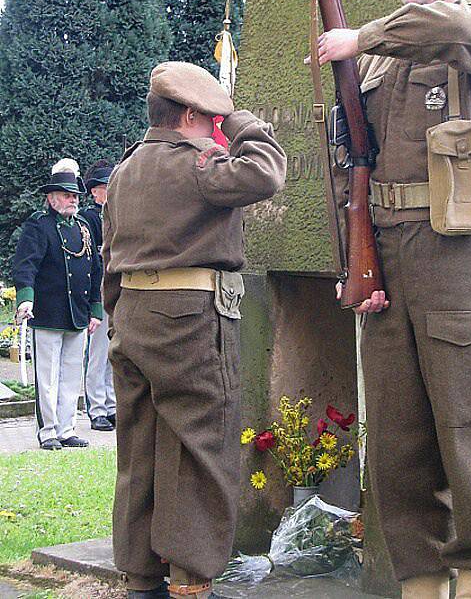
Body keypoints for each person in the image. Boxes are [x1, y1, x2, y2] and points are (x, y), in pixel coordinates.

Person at [318, 0, 471, 599]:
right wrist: (355, 264)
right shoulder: (378, 65)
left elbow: (457, 29)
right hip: (389, 254)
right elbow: (351, 166)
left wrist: (362, 36)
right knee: (399, 437)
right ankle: (419, 579)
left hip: (465, 252)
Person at [102, 61, 286, 599]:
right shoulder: (200, 165)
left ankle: (140, 579)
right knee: (200, 449)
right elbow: (266, 171)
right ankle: (189, 580)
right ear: (189, 115)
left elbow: (111, 259)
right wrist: (247, 124)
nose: (218, 129)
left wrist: (121, 319)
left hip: (132, 315)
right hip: (190, 320)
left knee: (139, 453)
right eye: (213, 119)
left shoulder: (125, 170)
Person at [13, 158, 103, 450]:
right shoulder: (38, 226)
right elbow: (25, 266)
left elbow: (95, 269)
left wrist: (95, 309)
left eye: (75, 196)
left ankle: (66, 429)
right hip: (48, 313)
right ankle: (48, 431)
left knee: (71, 375)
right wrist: (26, 299)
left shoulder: (83, 227)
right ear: (51, 199)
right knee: (48, 377)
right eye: (67, 195)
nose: (72, 200)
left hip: (77, 313)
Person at [81, 160, 116, 432]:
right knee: (98, 353)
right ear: (95, 192)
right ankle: (97, 408)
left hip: (118, 288)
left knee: (115, 351)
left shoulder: (117, 215)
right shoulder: (89, 218)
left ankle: (112, 404)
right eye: (105, 187)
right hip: (100, 288)